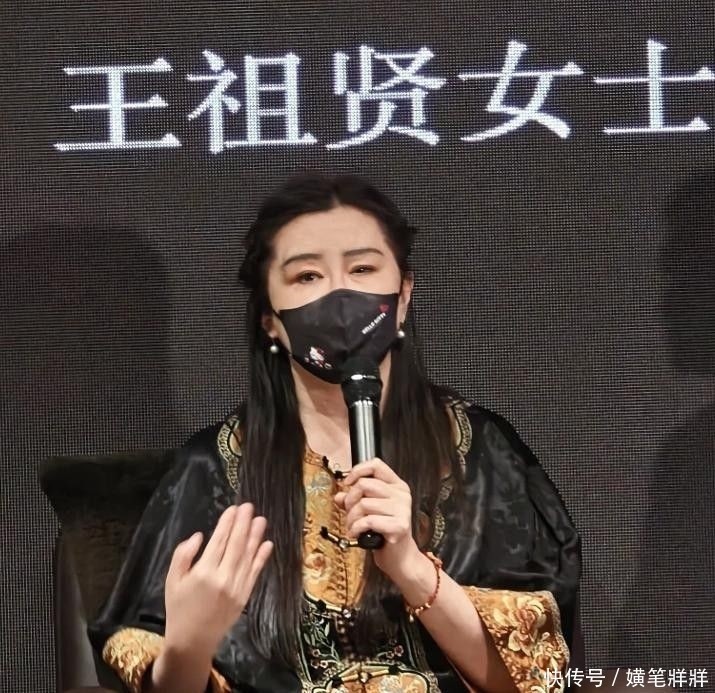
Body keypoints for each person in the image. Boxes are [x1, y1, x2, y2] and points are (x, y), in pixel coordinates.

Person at [88, 173, 582, 693]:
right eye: (307, 277)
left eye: (362, 268)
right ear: (269, 318)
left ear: (403, 294)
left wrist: (411, 567)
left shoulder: (479, 452)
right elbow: (154, 666)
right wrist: (190, 643)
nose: (339, 294)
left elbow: (533, 679)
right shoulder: (211, 468)